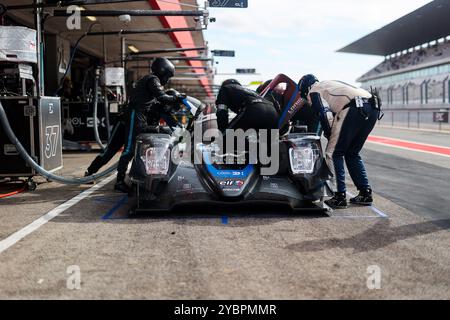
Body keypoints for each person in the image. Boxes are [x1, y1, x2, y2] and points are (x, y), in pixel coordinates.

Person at [298, 74, 382, 209]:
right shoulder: (330, 84)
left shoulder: (314, 91)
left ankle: (339, 196)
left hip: (353, 108)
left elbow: (324, 113)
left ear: (306, 89)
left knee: (333, 152)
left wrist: (330, 133)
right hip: (373, 107)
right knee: (352, 153)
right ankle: (365, 192)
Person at [115, 57, 186, 193]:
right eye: (168, 76)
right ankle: (119, 181)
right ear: (162, 71)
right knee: (129, 149)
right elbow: (162, 98)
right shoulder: (153, 80)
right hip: (135, 114)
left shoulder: (150, 80)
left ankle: (138, 177)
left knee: (138, 147)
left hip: (139, 115)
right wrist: (177, 98)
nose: (167, 79)